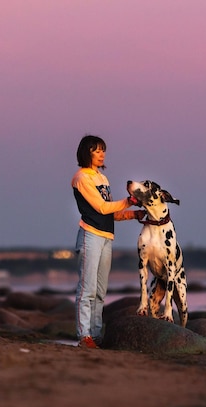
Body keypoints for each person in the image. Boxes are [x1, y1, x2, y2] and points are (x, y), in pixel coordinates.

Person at [71, 135, 145, 349]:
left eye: (103, 150)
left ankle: (95, 334)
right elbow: (102, 208)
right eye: (97, 150)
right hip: (90, 236)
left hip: (106, 237)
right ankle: (84, 335)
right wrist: (129, 201)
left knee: (100, 291)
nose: (102, 154)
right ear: (87, 153)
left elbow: (110, 212)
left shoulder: (102, 178)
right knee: (87, 289)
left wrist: (133, 214)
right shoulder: (82, 178)